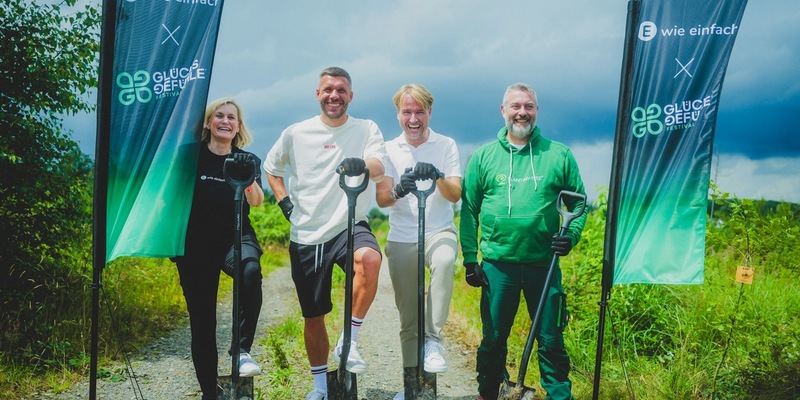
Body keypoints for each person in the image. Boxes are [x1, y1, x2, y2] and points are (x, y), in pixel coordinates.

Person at [263, 67, 386, 400]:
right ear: (318, 94)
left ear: (351, 95)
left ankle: (350, 338)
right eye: (328, 89)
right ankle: (320, 386)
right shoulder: (295, 133)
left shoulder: (366, 128)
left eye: (342, 90)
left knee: (370, 260)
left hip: (349, 222)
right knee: (313, 315)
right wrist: (285, 202)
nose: (335, 95)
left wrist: (361, 164)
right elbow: (271, 168)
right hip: (307, 233)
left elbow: (379, 165)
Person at [459, 83, 587, 400]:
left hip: (543, 264)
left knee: (551, 337)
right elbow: (469, 211)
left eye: (528, 106)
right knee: (494, 337)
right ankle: (489, 391)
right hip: (497, 266)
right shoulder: (483, 157)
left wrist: (569, 235)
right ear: (503, 110)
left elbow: (580, 204)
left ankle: (559, 395)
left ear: (536, 111)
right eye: (515, 106)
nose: (522, 112)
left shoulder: (559, 155)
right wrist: (470, 259)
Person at [175, 97, 266, 400]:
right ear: (208, 122)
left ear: (239, 127)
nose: (225, 121)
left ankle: (240, 350)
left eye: (232, 118)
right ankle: (209, 393)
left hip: (235, 238)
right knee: (203, 322)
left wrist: (247, 176)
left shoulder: (247, 158)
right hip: (195, 244)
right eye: (219, 116)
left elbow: (257, 201)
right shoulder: (191, 156)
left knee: (251, 274)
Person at [375, 84, 462, 400]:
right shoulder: (388, 148)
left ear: (429, 112)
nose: (414, 119)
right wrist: (401, 188)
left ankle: (434, 340)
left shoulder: (446, 144)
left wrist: (438, 175)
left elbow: (455, 193)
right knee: (408, 316)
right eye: (407, 112)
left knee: (443, 261)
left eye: (420, 111)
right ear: (398, 113)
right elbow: (383, 199)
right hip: (402, 236)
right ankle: (413, 388)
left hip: (438, 229)